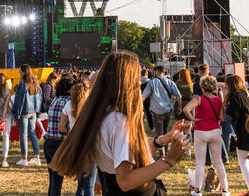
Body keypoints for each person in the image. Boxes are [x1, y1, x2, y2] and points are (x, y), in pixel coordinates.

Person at [49, 51, 191, 195]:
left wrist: (160, 141)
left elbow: (122, 155)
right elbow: (125, 181)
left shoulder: (101, 114)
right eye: (135, 78)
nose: (139, 84)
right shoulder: (119, 121)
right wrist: (170, 159)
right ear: (126, 81)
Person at [183, 76, 229, 196]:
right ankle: (225, 189)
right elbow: (222, 118)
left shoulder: (199, 99)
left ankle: (197, 190)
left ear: (202, 87)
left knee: (200, 162)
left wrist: (193, 119)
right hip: (215, 131)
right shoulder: (218, 100)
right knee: (218, 162)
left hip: (201, 131)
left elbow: (186, 109)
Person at [59, 80, 94, 196]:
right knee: (89, 185)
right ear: (88, 90)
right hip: (90, 146)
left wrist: (71, 132)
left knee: (81, 185)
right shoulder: (91, 104)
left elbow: (62, 127)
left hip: (76, 145)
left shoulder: (69, 105)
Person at [43, 76, 75, 196]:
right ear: (69, 89)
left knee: (53, 180)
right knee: (57, 181)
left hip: (48, 142)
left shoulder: (55, 99)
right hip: (59, 143)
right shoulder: (69, 102)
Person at [142, 65, 182, 157]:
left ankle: (162, 154)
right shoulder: (170, 82)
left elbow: (144, 95)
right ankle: (166, 151)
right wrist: (179, 107)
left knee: (159, 133)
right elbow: (179, 96)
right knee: (165, 131)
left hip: (156, 111)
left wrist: (140, 105)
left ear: (157, 72)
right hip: (167, 110)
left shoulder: (152, 83)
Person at [12, 64, 43, 166]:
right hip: (33, 111)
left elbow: (19, 101)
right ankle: (36, 158)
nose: (19, 72)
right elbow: (40, 98)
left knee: (23, 136)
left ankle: (24, 159)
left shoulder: (22, 84)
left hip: (24, 112)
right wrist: (37, 110)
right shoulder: (35, 83)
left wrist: (17, 114)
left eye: (20, 70)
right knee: (32, 134)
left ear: (24, 72)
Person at [224, 75, 249, 195]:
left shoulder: (235, 97)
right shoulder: (245, 94)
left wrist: (224, 105)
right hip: (246, 129)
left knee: (243, 161)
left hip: (244, 131)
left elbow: (233, 114)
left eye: (226, 84)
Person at [174, 68, 194, 156]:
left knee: (179, 128)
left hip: (180, 104)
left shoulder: (177, 84)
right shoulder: (191, 84)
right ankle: (188, 149)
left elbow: (175, 95)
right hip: (189, 105)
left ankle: (181, 147)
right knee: (188, 129)